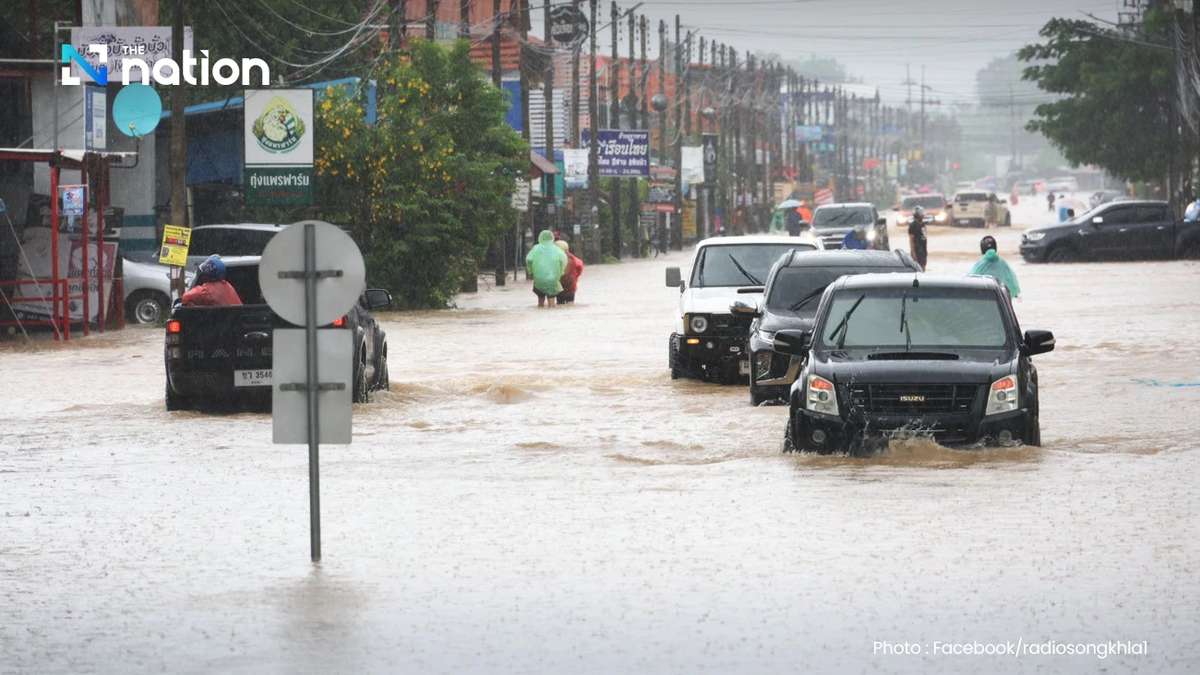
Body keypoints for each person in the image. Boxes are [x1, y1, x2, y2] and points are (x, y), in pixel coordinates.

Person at [525, 229, 568, 307]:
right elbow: (564, 260)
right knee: (552, 303)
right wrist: (561, 272)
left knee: (540, 301)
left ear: (540, 238)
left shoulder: (536, 248)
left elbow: (528, 259)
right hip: (553, 279)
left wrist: (530, 271)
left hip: (538, 279)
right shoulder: (557, 249)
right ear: (552, 238)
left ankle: (540, 307)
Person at [554, 240, 585, 304]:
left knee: (560, 304)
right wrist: (575, 276)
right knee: (570, 303)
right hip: (571, 286)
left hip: (559, 287)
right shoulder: (573, 258)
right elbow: (580, 267)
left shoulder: (554, 259)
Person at [907, 205, 929, 270]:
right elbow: (911, 240)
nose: (923, 215)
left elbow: (924, 237)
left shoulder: (923, 224)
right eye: (921, 213)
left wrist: (925, 251)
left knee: (923, 267)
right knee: (918, 269)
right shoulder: (913, 226)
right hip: (917, 250)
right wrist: (913, 253)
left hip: (923, 250)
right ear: (917, 214)